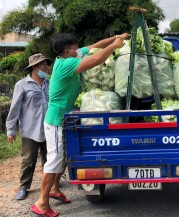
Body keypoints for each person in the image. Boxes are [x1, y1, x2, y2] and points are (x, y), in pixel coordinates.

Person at [31, 33, 129, 217]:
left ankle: (53, 190)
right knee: (53, 160)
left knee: (63, 158)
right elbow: (96, 58)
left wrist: (115, 37)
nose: (79, 51)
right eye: (76, 49)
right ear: (67, 51)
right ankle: (41, 202)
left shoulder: (69, 56)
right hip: (56, 120)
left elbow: (94, 46)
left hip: (66, 118)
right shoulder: (66, 65)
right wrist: (115, 46)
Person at [6, 53, 52, 200]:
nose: (46, 66)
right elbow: (15, 108)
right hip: (30, 129)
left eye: (46, 64)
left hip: (48, 127)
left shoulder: (48, 83)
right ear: (34, 67)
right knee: (28, 160)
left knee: (49, 158)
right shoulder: (22, 85)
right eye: (43, 64)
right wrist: (11, 129)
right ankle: (24, 186)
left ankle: (49, 184)